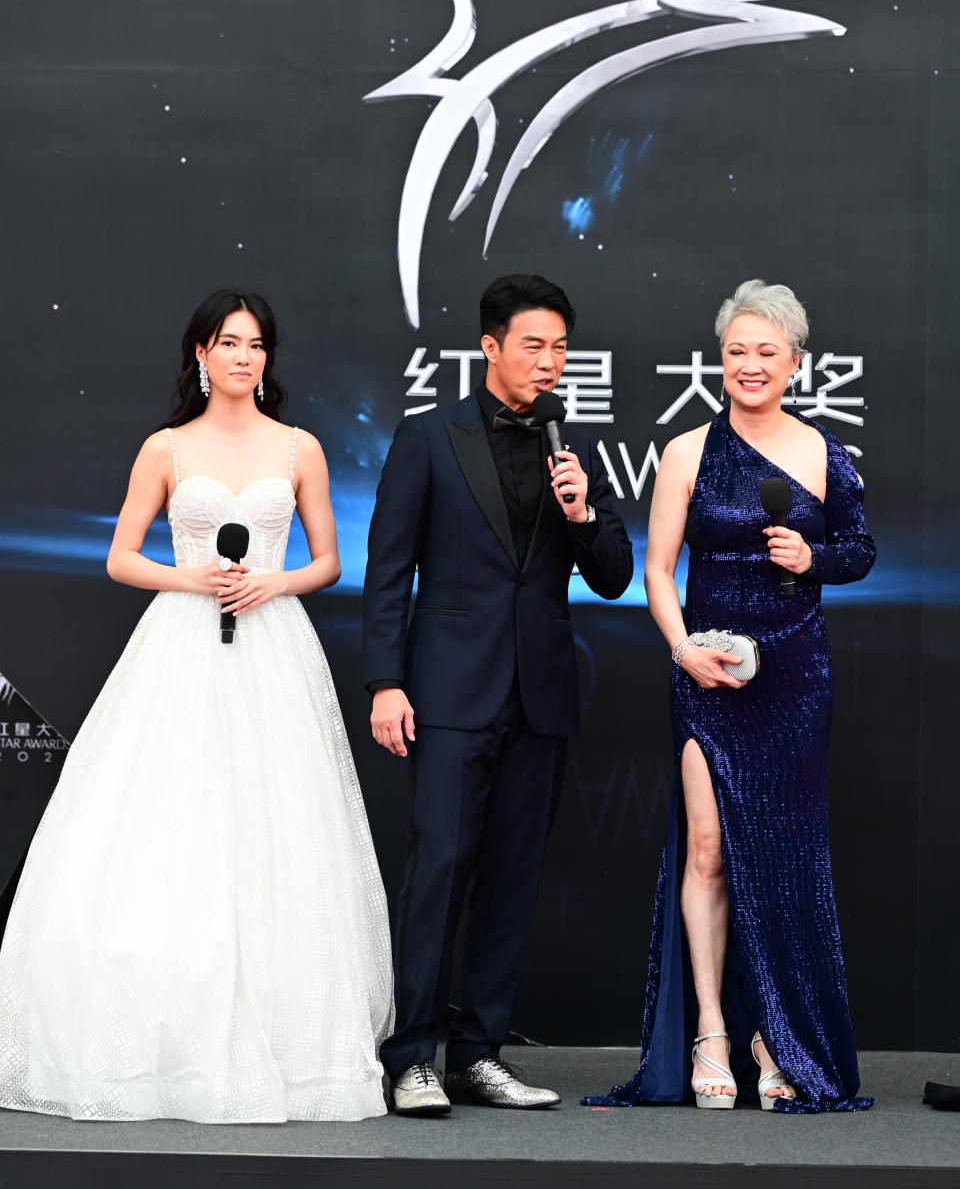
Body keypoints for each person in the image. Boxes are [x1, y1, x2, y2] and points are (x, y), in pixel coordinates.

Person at [0, 290, 392, 1123]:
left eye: (257, 345)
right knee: (170, 819)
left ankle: (286, 1045)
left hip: (273, 644)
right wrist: (194, 579)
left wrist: (272, 581)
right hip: (180, 644)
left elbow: (326, 560)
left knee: (282, 826)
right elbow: (118, 557)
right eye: (229, 343)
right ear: (201, 355)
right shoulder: (166, 447)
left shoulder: (300, 449)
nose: (245, 357)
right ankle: (160, 1043)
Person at [584, 279, 875, 1115]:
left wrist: (809, 559)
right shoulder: (686, 452)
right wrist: (683, 650)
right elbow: (656, 570)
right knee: (708, 848)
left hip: (794, 676)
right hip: (707, 673)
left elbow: (859, 548)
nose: (751, 366)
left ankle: (774, 1036)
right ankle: (712, 1026)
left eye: (767, 353)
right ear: (721, 360)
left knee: (781, 863)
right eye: (737, 351)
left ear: (795, 364)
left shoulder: (824, 452)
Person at [363, 273, 633, 1115]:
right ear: (490, 347)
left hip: (540, 697)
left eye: (560, 348)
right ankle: (410, 1054)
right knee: (438, 872)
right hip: (446, 691)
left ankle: (479, 1053)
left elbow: (615, 576)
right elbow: (387, 574)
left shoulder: (571, 448)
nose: (550, 362)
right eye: (534, 345)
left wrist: (584, 514)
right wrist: (385, 681)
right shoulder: (428, 438)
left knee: (513, 882)